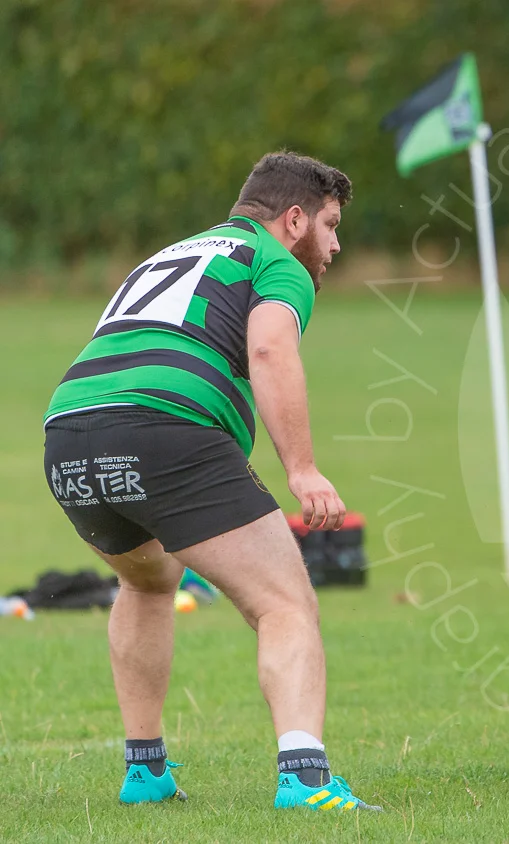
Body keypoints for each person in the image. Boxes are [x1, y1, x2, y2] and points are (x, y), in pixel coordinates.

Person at [42, 152, 378, 810]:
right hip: (166, 428)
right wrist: (302, 470)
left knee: (146, 577)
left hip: (69, 434)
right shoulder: (275, 260)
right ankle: (306, 782)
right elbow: (270, 349)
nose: (335, 245)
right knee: (284, 603)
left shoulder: (171, 254)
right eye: (331, 226)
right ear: (294, 219)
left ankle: (145, 772)